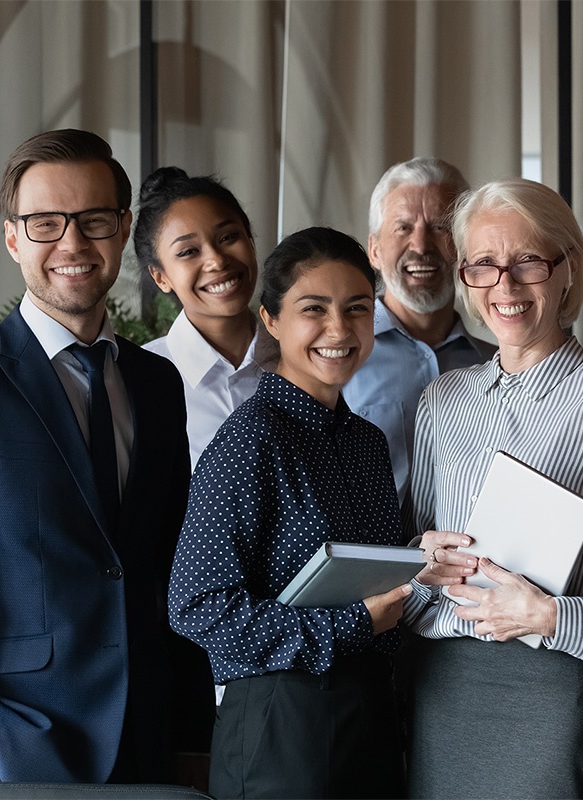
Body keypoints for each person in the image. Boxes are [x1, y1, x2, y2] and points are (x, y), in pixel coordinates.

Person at [0, 129, 211, 782]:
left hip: (151, 742)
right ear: (13, 239)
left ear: (122, 229)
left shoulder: (157, 381)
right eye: (45, 223)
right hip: (20, 746)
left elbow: (172, 568)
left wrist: (193, 735)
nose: (72, 244)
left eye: (92, 221)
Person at [402, 178, 583, 798]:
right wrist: (421, 561)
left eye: (529, 262)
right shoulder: (441, 401)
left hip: (548, 691)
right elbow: (409, 568)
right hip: (440, 685)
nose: (505, 286)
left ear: (570, 269)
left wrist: (554, 617)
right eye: (483, 264)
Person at [168, 227, 411, 799]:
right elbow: (197, 607)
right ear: (270, 321)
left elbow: (375, 579)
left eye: (357, 309)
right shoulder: (249, 441)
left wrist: (425, 561)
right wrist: (352, 624)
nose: (339, 329)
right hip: (282, 728)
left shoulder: (366, 441)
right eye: (314, 309)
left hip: (372, 718)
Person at [343, 157, 494, 505]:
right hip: (371, 558)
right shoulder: (338, 357)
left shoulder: (494, 364)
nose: (421, 245)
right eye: (403, 227)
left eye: (441, 227)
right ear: (375, 250)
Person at [135, 166, 276, 470]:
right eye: (188, 252)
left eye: (228, 237)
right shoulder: (139, 381)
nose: (216, 259)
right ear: (160, 277)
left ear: (250, 240)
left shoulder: (301, 356)